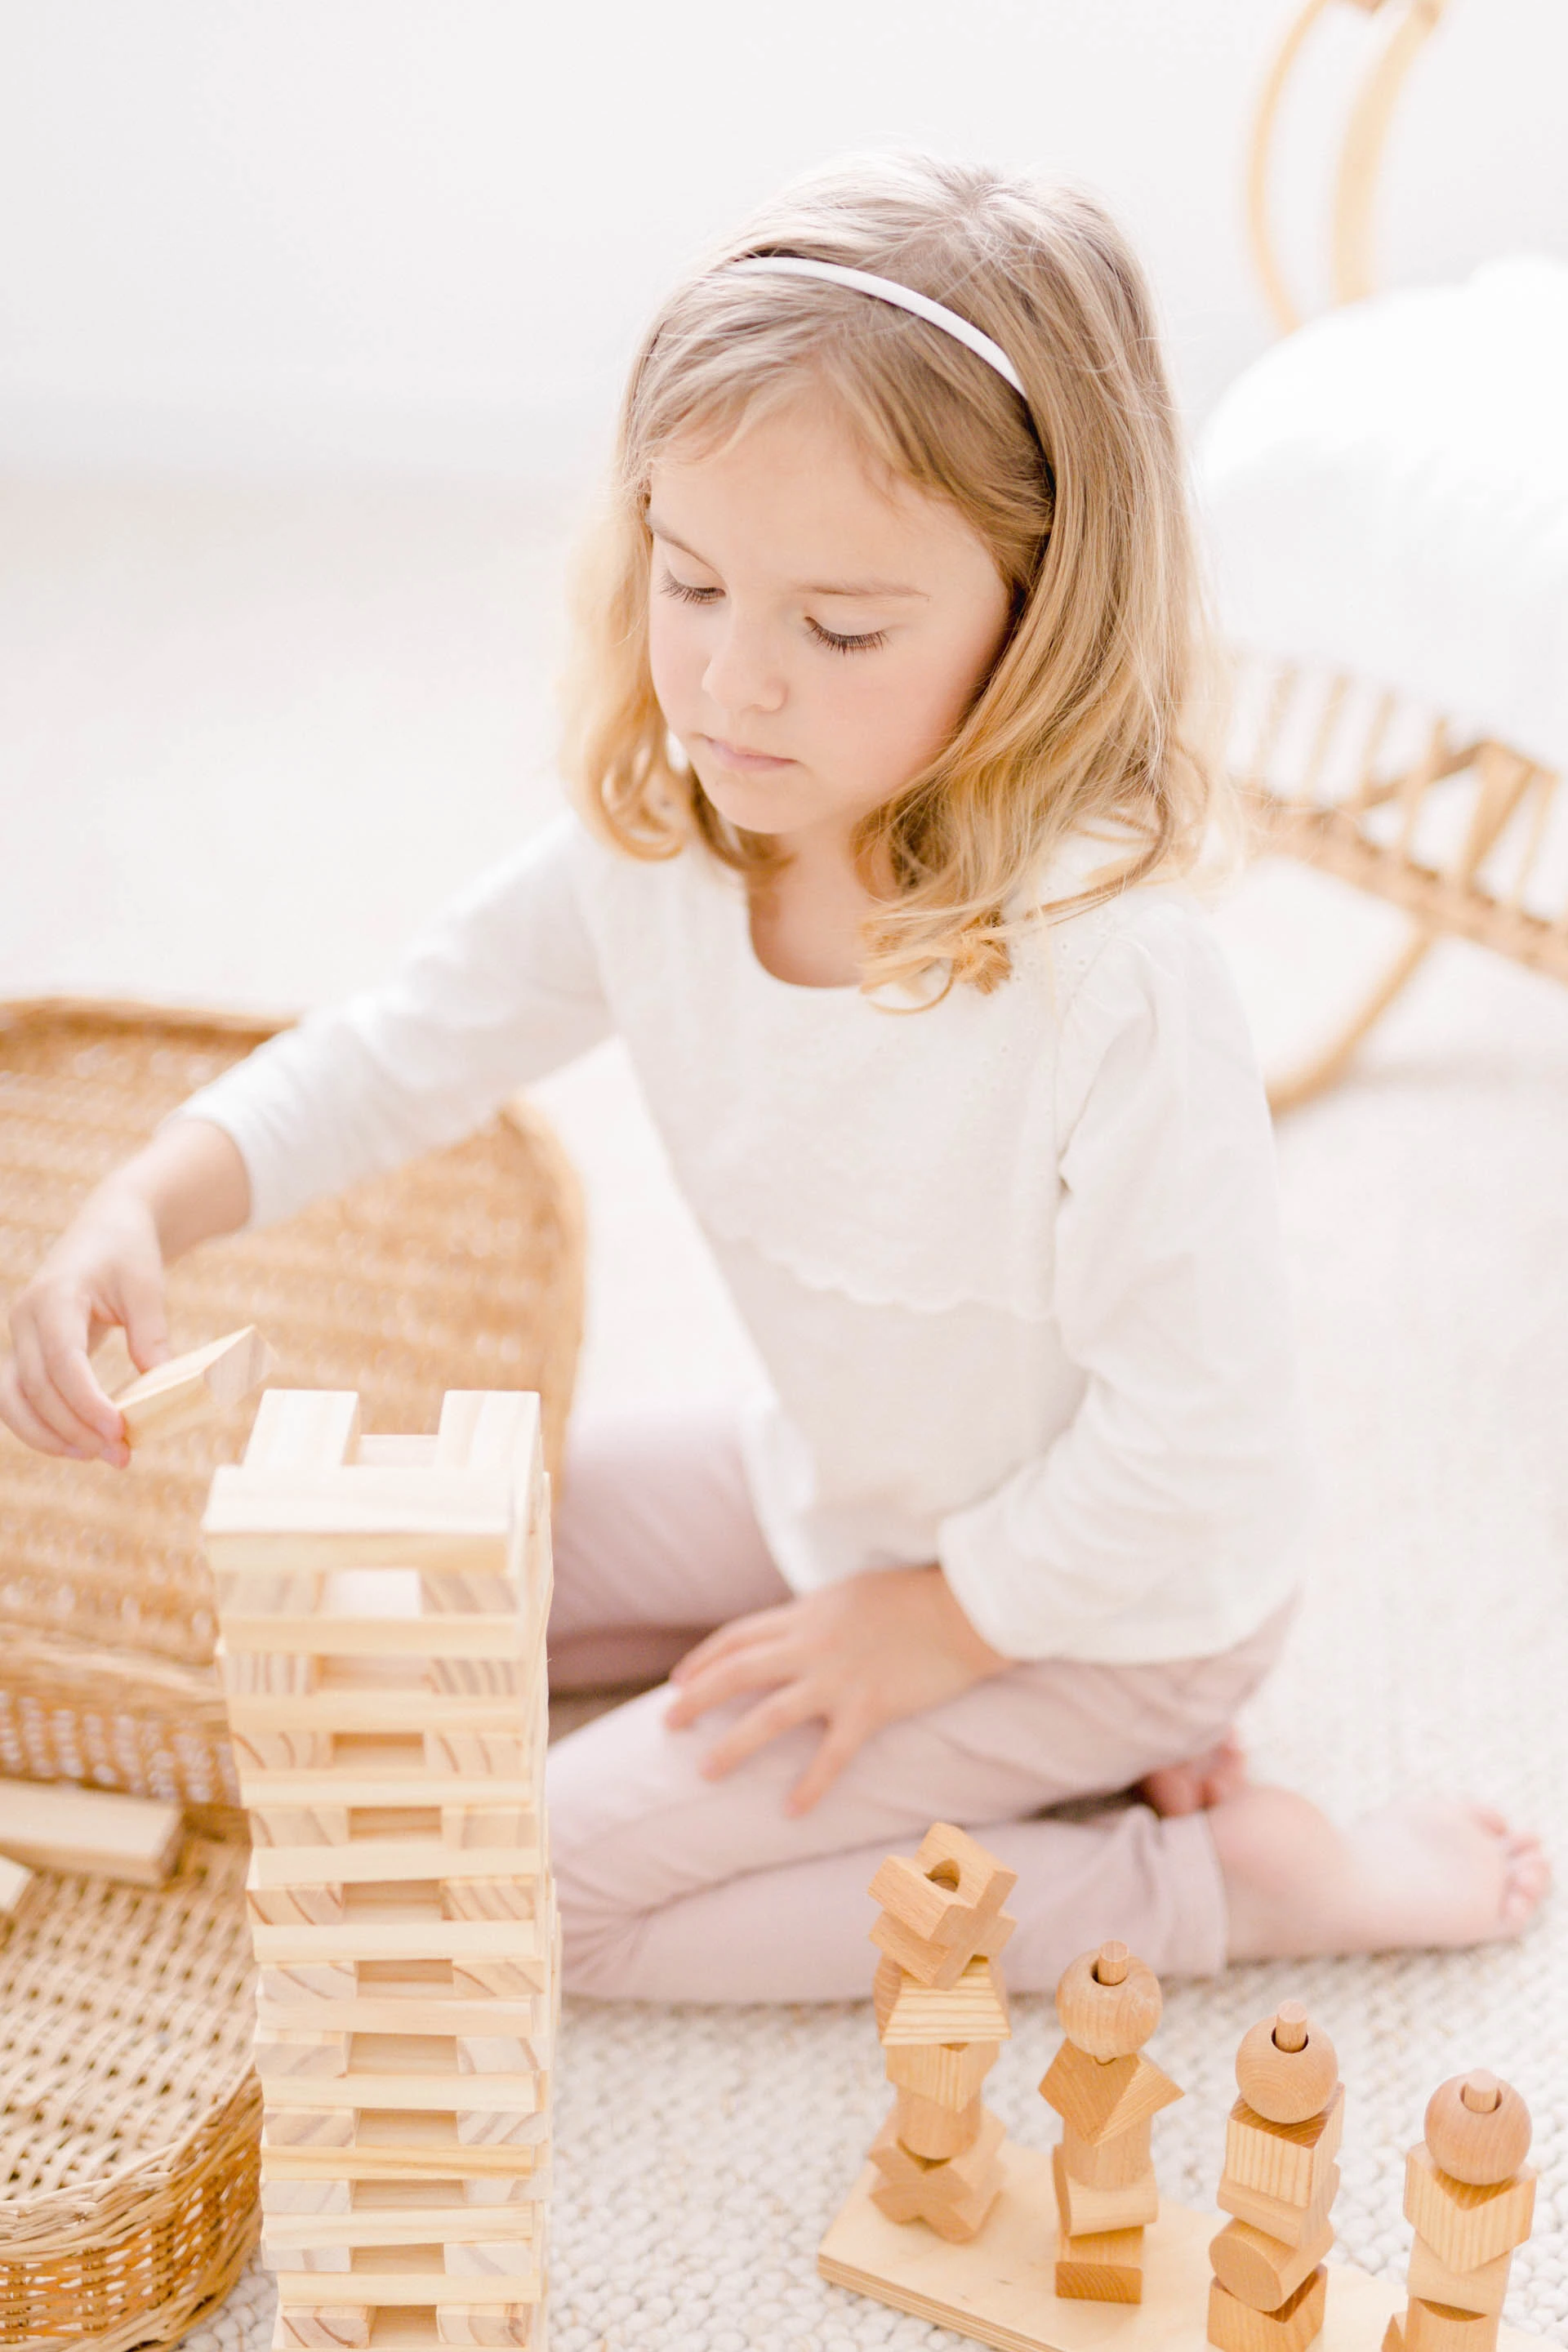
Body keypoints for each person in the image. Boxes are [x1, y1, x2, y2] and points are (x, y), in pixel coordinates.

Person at [1, 154, 1544, 2001]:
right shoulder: (667, 839)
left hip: (1118, 1611)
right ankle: (978, 1713)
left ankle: (1218, 1884)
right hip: (831, 1487)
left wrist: (936, 1626)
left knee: (519, 1897)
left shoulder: (1115, 976)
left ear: (1036, 615)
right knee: (348, 1595)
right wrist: (147, 1201)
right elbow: (404, 1043)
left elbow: (1201, 1450)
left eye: (839, 630)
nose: (734, 686)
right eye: (693, 581)